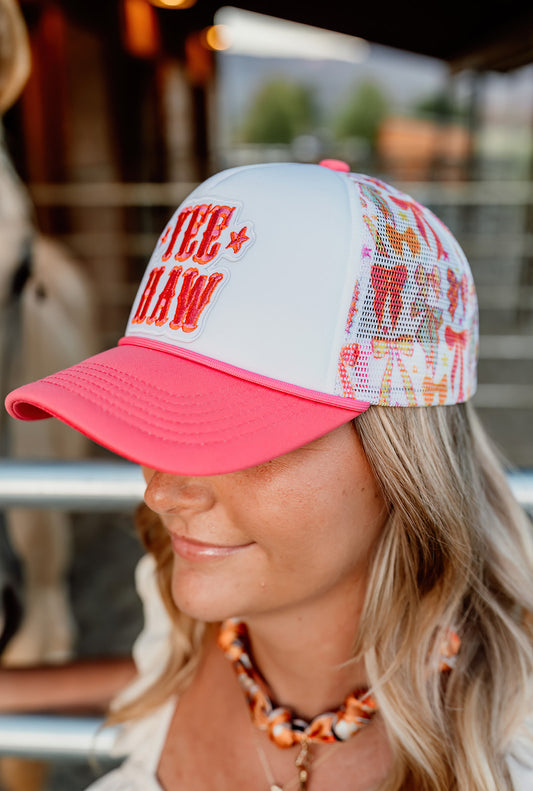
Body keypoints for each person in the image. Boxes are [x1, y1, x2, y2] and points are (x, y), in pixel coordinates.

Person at [5, 159, 533, 791]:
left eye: (240, 438)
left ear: (402, 461)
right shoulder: (187, 601)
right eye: (159, 420)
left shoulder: (509, 751)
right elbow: (163, 672)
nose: (160, 491)